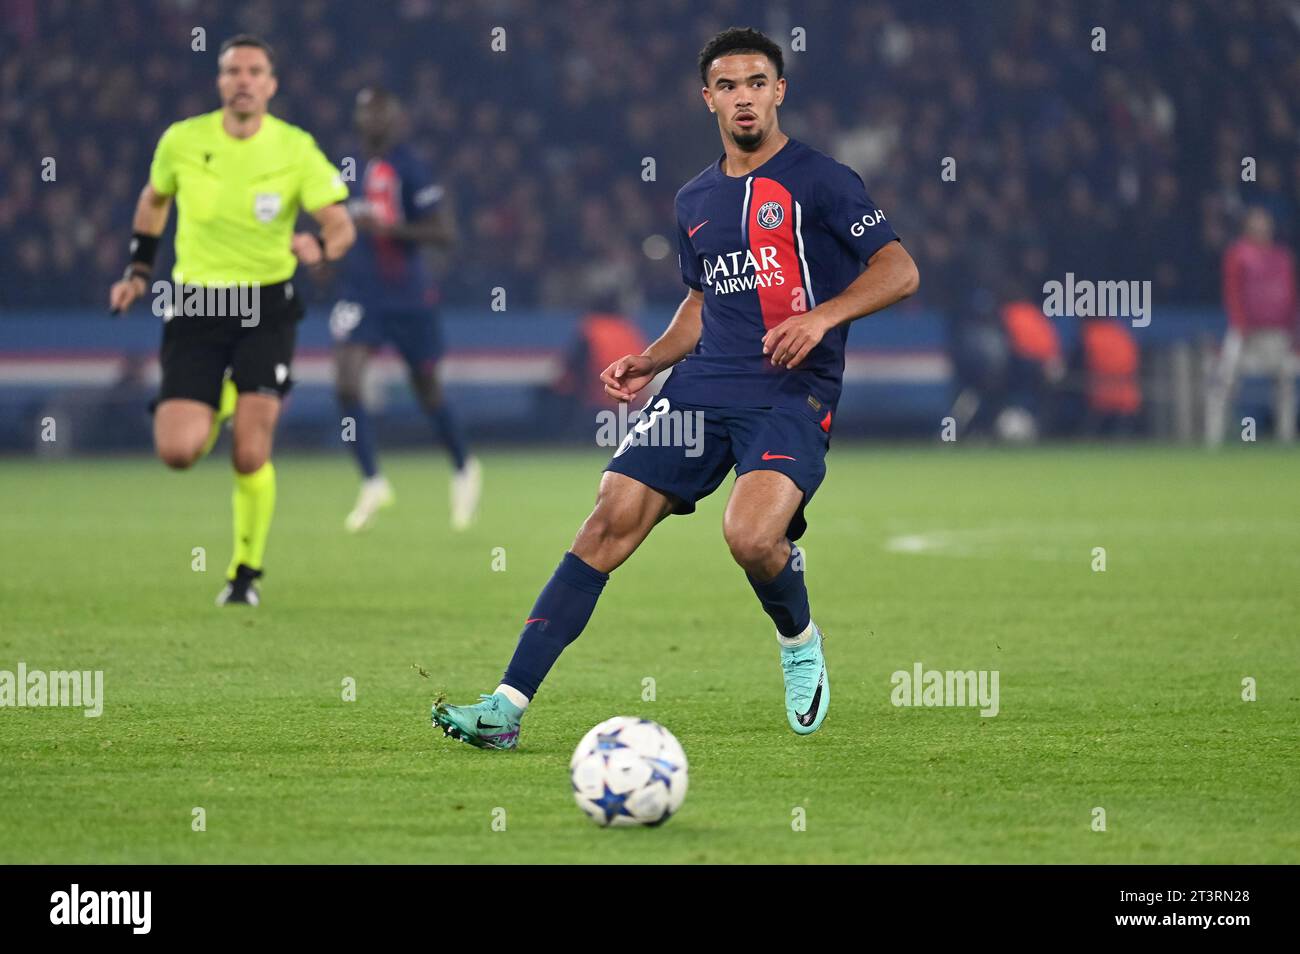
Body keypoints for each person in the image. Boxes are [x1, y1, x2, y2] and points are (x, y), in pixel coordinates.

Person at [431, 27, 918, 749]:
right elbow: (703, 299)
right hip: (698, 389)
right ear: (708, 100)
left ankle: (798, 638)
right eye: (728, 86)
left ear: (779, 91)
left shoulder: (824, 181)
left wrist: (822, 316)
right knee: (606, 520)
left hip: (790, 394)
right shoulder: (695, 197)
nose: (744, 97)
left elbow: (899, 269)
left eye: (757, 82)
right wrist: (651, 358)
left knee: (750, 538)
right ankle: (506, 706)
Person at [107, 35, 354, 605]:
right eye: (232, 70)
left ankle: (245, 573)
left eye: (254, 71)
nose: (243, 79)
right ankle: (222, 400)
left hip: (266, 306)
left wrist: (321, 247)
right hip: (197, 305)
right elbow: (153, 199)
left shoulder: (294, 148)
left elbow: (341, 224)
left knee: (250, 452)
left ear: (271, 83)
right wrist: (139, 270)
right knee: (178, 452)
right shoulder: (183, 140)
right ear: (220, 81)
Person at [329, 88, 480, 532]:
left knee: (427, 389)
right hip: (361, 294)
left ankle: (463, 466)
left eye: (383, 112)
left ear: (397, 120)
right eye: (366, 112)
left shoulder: (412, 167)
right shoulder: (346, 166)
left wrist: (390, 227)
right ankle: (373, 480)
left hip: (409, 296)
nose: (374, 120)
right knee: (346, 382)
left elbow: (445, 233)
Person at [1206, 207, 1297, 444]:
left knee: (1287, 382)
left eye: (1265, 222)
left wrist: (1293, 332)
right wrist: (1240, 326)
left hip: (1277, 333)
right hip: (1245, 333)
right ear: (1247, 226)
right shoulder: (1238, 254)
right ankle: (1213, 439)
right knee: (1224, 381)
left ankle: (1285, 437)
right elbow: (1233, 291)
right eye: (1256, 222)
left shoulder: (1282, 256)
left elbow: (1291, 295)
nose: (1261, 227)